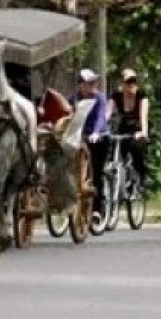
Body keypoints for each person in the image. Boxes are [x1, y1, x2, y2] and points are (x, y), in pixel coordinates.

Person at [70, 69, 111, 219]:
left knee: (95, 172)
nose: (93, 85)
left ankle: (97, 209)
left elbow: (101, 116)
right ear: (80, 85)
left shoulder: (100, 98)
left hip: (99, 137)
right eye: (89, 83)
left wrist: (96, 132)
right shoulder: (74, 98)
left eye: (94, 82)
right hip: (81, 138)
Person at [110, 68, 150, 187]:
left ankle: (142, 177)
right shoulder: (116, 96)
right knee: (113, 147)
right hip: (124, 127)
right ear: (122, 83)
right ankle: (117, 181)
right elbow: (107, 113)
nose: (131, 84)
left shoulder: (141, 96)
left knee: (135, 149)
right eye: (128, 81)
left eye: (134, 81)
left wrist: (143, 132)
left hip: (138, 127)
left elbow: (144, 116)